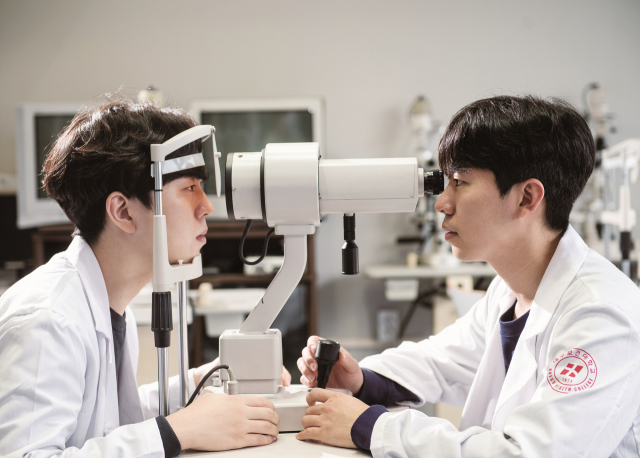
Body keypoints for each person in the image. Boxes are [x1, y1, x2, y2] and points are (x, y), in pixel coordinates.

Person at [296, 95, 640, 457]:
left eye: (459, 181)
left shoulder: (600, 316)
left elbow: (528, 454)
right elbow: (440, 362)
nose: (442, 203)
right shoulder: (510, 290)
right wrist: (362, 380)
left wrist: (370, 426)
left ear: (527, 197)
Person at [0, 99, 288, 457]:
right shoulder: (48, 320)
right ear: (123, 211)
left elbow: (105, 422)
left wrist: (199, 381)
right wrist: (181, 429)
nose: (207, 206)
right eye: (189, 188)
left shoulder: (106, 304)